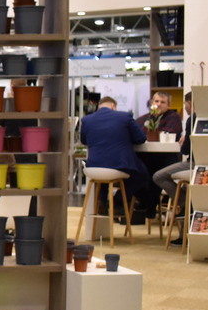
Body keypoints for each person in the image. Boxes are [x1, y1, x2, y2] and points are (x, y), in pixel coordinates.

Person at [78, 95, 150, 223]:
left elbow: (84, 140)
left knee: (103, 177)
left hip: (93, 166)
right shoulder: (125, 117)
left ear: (99, 106)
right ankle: (118, 200)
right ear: (113, 106)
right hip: (120, 163)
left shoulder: (87, 120)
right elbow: (140, 138)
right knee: (142, 175)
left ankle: (101, 200)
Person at [152, 93, 195, 201]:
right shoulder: (148, 118)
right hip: (201, 163)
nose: (158, 104)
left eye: (162, 102)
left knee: (157, 176)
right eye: (156, 101)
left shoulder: (183, 118)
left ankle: (185, 203)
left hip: (187, 162)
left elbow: (185, 150)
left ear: (189, 103)